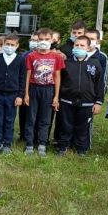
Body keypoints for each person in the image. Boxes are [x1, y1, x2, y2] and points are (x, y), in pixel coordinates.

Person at [56, 36, 104, 156]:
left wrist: (98, 102)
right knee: (65, 125)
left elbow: (100, 84)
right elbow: (59, 81)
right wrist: (57, 98)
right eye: (76, 45)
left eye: (82, 45)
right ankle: (63, 146)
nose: (79, 47)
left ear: (88, 48)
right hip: (66, 101)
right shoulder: (66, 63)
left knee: (83, 127)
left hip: (87, 102)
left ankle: (81, 148)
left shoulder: (95, 63)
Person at [24, 27, 65, 156]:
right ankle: (29, 144)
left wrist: (56, 96)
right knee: (31, 118)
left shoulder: (57, 57)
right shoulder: (31, 56)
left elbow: (58, 77)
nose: (43, 41)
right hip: (34, 88)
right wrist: (26, 93)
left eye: (46, 39)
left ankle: (42, 143)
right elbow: (28, 75)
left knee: (45, 119)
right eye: (41, 39)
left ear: (52, 40)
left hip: (49, 89)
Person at [0, 33, 26, 155]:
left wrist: (20, 95)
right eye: (7, 44)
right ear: (3, 45)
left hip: (13, 96)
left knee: (9, 120)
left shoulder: (20, 60)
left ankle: (7, 144)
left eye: (12, 45)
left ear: (17, 45)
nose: (9, 46)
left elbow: (22, 79)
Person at [18, 31, 39, 141]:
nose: (34, 42)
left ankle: (35, 136)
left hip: (38, 87)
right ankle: (23, 135)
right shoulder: (24, 55)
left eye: (36, 40)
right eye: (32, 40)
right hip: (25, 86)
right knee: (24, 112)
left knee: (35, 113)